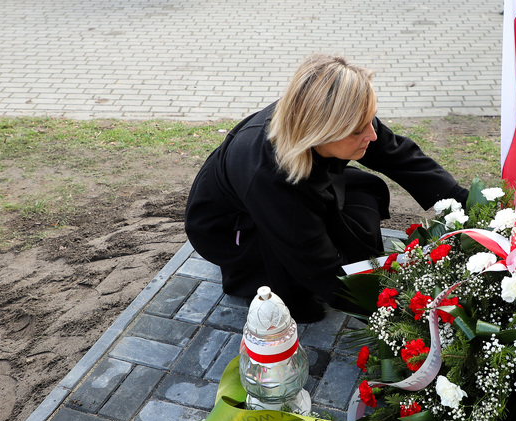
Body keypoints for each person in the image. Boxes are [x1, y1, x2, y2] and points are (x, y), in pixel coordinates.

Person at [185, 54, 468, 322]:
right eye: (359, 130)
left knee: (362, 197)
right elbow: (320, 268)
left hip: (291, 194)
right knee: (301, 294)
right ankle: (266, 280)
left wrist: (464, 201)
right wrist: (397, 311)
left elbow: (399, 156)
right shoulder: (270, 178)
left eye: (371, 120)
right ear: (322, 131)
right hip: (234, 229)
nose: (371, 133)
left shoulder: (343, 113)